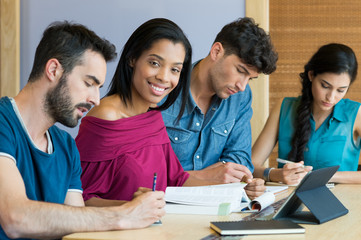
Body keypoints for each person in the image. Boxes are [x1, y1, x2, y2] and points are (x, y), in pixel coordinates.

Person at [0, 21, 166, 240]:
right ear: (53, 70)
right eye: (89, 83)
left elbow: (77, 226)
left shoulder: (67, 147)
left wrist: (133, 207)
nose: (96, 100)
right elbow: (15, 218)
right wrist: (123, 215)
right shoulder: (3, 123)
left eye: (98, 88)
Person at [76, 18, 265, 207]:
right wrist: (130, 208)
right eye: (155, 63)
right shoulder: (106, 116)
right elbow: (79, 199)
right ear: (133, 58)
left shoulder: (153, 117)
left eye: (175, 69)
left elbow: (176, 179)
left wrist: (236, 186)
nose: (164, 78)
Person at [160, 17, 278, 191]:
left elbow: (240, 159)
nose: (242, 86)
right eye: (240, 71)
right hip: (164, 205)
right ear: (216, 51)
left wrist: (236, 176)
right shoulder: (164, 88)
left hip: (218, 201)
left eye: (250, 79)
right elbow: (142, 170)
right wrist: (200, 177)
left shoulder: (241, 97)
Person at [252, 43, 361, 185]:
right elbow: (251, 165)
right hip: (288, 202)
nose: (331, 97)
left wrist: (325, 176)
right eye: (325, 86)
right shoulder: (283, 108)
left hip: (341, 202)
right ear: (311, 75)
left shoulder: (356, 113)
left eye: (340, 90)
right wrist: (275, 174)